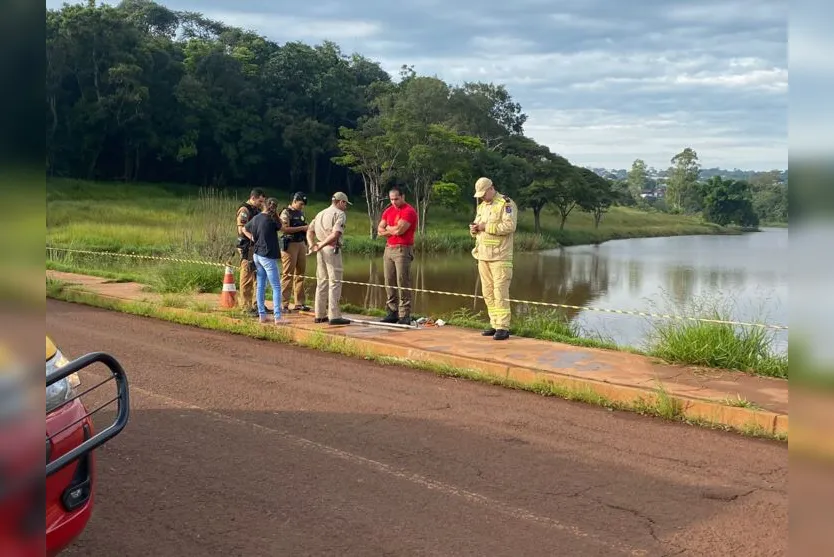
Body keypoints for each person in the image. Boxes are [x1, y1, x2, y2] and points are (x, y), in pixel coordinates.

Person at [469, 177, 517, 340]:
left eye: (484, 193)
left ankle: (503, 327)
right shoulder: (482, 206)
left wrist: (485, 227)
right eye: (480, 195)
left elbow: (509, 226)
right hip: (483, 255)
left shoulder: (506, 204)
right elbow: (478, 225)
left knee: (500, 292)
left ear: (492, 188)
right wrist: (474, 229)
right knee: (487, 292)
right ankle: (495, 323)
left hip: (500, 256)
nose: (482, 197)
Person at [306, 192, 352, 326]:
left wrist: (313, 245)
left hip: (320, 247)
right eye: (345, 204)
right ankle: (334, 315)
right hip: (331, 249)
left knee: (322, 282)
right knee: (335, 281)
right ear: (340, 202)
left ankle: (319, 314)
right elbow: (336, 234)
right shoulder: (340, 214)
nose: (346, 207)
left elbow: (309, 230)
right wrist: (323, 244)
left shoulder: (321, 213)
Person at [243, 198, 288, 325]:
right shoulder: (273, 220)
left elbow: (244, 229)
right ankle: (277, 317)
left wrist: (253, 238)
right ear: (275, 208)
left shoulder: (257, 218)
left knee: (261, 284)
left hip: (257, 254)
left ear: (264, 205)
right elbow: (282, 227)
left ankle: (262, 315)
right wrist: (277, 215)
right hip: (268, 255)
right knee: (276, 287)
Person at [377, 186, 418, 324]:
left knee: (402, 280)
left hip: (403, 249)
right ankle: (392, 311)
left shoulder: (409, 211)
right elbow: (379, 229)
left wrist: (389, 228)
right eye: (391, 199)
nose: (394, 202)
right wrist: (391, 229)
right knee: (389, 281)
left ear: (403, 197)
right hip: (389, 248)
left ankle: (404, 314)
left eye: (396, 199)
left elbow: (400, 231)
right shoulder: (388, 211)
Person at [235, 188, 266, 316]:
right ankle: (246, 307)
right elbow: (241, 229)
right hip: (247, 246)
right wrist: (253, 237)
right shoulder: (244, 210)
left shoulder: (257, 210)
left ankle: (257, 304)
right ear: (253, 198)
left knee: (258, 276)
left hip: (257, 246)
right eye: (260, 201)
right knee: (247, 276)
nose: (261, 203)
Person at [279, 192, 311, 313]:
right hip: (290, 244)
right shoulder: (286, 212)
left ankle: (300, 302)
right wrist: (302, 228)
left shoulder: (301, 213)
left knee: (301, 274)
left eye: (303, 205)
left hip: (301, 243)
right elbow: (284, 229)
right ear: (295, 200)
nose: (302, 206)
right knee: (288, 274)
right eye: (300, 204)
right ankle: (284, 304)